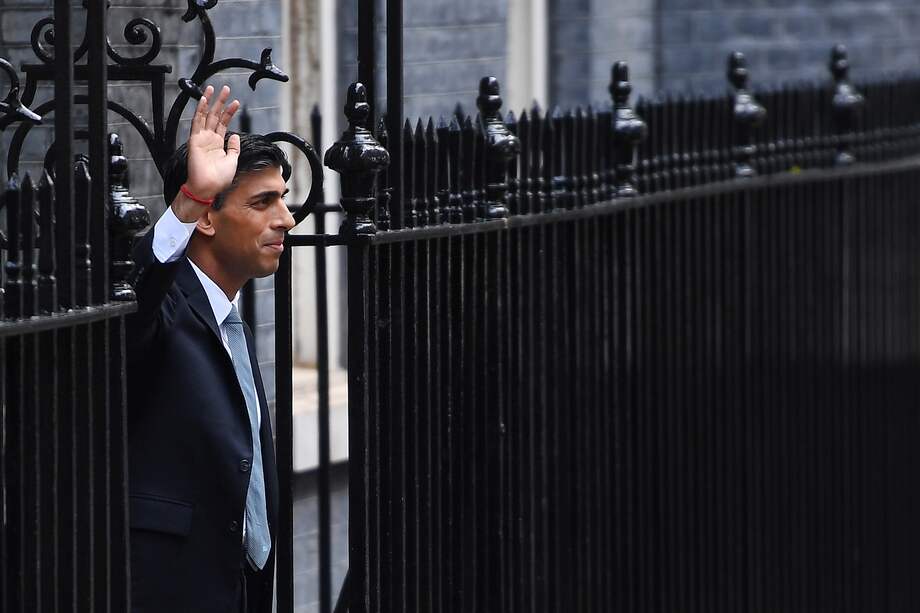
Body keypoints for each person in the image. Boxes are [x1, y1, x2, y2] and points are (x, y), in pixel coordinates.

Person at [126, 84, 294, 613]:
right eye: (263, 202)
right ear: (207, 218)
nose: (286, 218)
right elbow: (130, 306)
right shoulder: (161, 307)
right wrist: (189, 200)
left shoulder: (230, 320)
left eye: (283, 198)